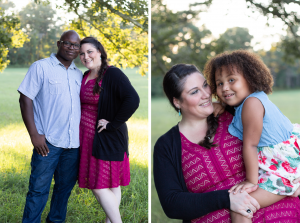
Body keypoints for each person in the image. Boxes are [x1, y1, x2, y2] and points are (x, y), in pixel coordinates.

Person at [153, 63, 300, 223]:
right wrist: (227, 198)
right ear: (177, 102)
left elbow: (285, 142)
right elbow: (172, 204)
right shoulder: (167, 146)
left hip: (281, 210)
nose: (206, 94)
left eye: (205, 86)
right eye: (195, 92)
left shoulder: (238, 113)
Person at [204, 50, 300, 222]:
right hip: (287, 155)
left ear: (250, 78)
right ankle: (294, 185)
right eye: (219, 83)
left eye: (231, 80)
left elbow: (250, 145)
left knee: (241, 207)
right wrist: (223, 105)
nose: (225, 87)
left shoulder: (252, 104)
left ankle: (291, 184)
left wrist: (251, 181)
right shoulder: (252, 100)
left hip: (283, 165)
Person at [18, 30, 82, 223]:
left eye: (76, 45)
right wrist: (34, 135)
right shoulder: (41, 67)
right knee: (38, 190)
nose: (71, 48)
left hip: (72, 145)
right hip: (47, 143)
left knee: (63, 191)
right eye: (67, 43)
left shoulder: (78, 74)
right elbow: (25, 99)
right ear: (58, 43)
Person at [78, 37, 140, 223]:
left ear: (99, 51)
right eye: (82, 53)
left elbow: (133, 99)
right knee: (111, 185)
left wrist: (113, 123)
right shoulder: (85, 76)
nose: (86, 56)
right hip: (87, 139)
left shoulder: (112, 74)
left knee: (99, 185)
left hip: (106, 138)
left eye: (89, 51)